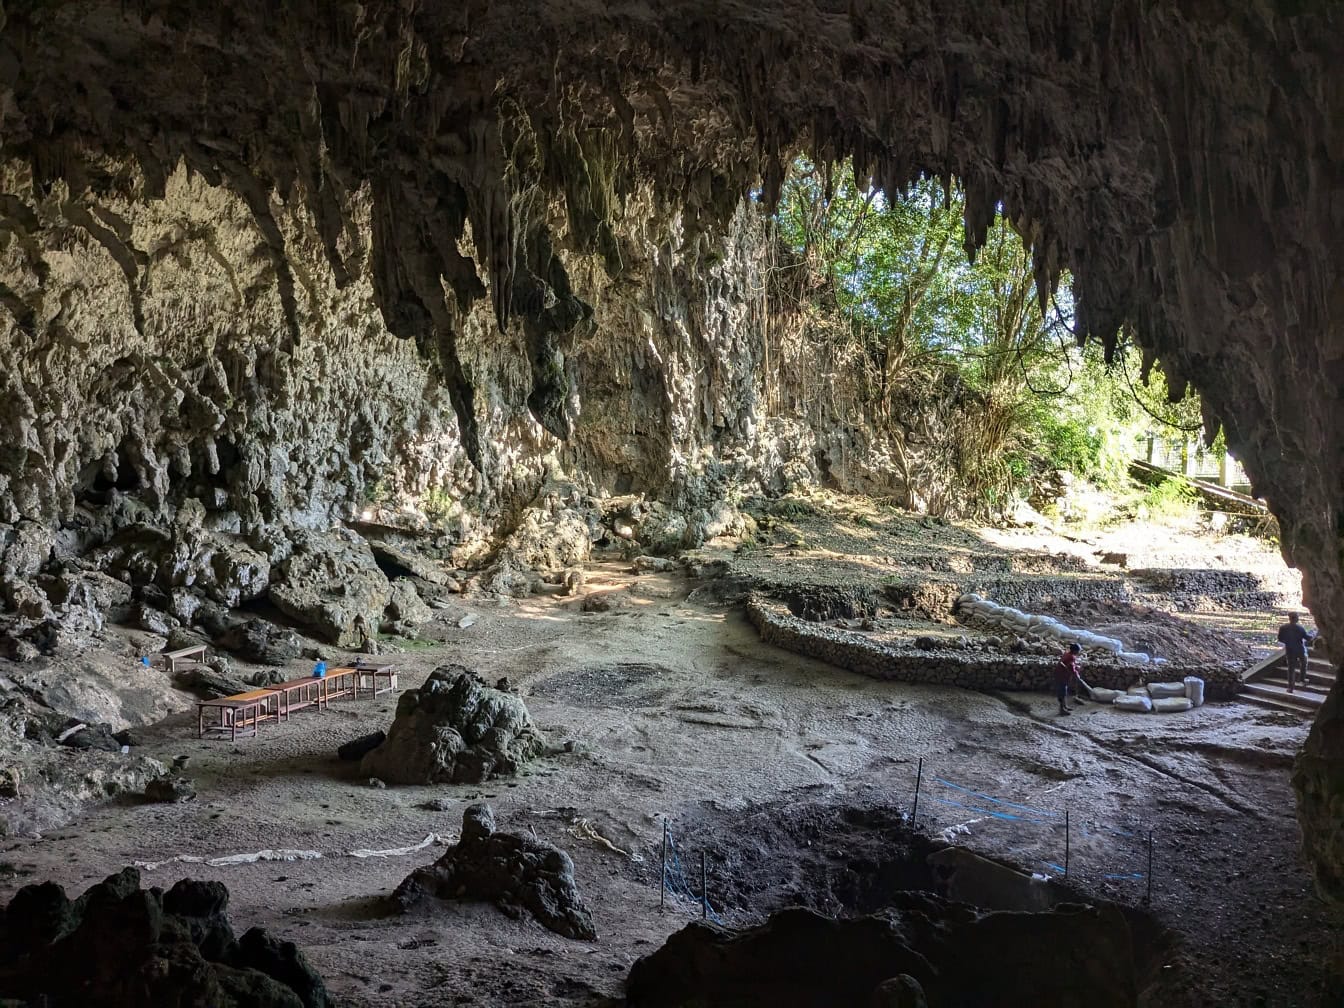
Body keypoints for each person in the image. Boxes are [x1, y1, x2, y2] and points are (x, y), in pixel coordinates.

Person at [1277, 612, 1315, 693]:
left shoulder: (1283, 628)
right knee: (1304, 663)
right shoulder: (1300, 628)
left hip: (1290, 650)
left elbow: (1280, 638)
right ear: (1296, 618)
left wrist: (1287, 642)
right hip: (1300, 650)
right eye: (1298, 617)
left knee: (1291, 669)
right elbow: (1307, 638)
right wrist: (1313, 637)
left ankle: (1290, 687)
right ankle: (1302, 679)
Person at [1055, 643, 1085, 715]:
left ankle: (1065, 706)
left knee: (1063, 691)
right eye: (1078, 650)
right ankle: (1062, 709)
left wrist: (1076, 667)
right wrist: (1076, 674)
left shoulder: (1067, 654)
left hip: (1060, 675)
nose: (1079, 652)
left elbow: (1069, 665)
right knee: (1062, 692)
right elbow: (1071, 667)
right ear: (1075, 651)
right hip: (1062, 676)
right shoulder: (1071, 657)